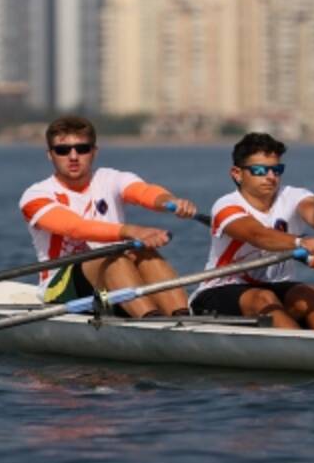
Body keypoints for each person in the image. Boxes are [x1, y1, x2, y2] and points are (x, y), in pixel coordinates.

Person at [19, 116, 197, 318]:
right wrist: (131, 231)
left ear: (94, 152)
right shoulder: (36, 196)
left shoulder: (111, 178)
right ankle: (150, 322)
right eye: (63, 150)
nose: (74, 156)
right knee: (113, 257)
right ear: (50, 155)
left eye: (82, 148)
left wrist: (170, 202)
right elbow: (74, 227)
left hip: (113, 284)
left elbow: (143, 192)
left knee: (145, 253)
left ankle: (182, 317)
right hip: (60, 288)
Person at [190, 132, 314, 330]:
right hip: (219, 289)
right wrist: (300, 242)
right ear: (237, 174)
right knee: (264, 298)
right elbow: (258, 236)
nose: (271, 177)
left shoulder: (293, 195)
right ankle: (300, 353)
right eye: (260, 170)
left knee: (307, 294)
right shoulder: (226, 206)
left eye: (276, 170)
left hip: (274, 287)